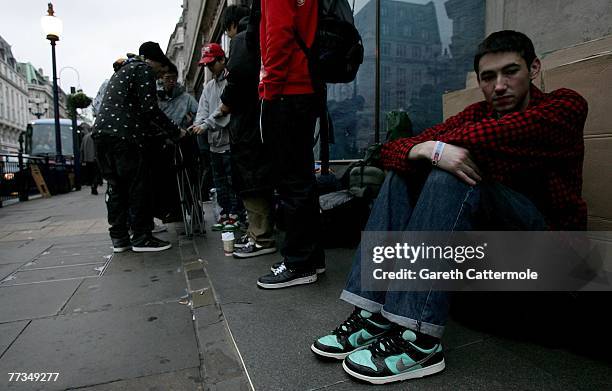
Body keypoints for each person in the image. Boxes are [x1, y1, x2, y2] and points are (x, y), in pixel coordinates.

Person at [310, 30, 588, 384]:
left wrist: (434, 148)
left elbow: (492, 136)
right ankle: (372, 314)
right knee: (403, 173)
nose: (499, 86)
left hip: (550, 245)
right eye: (488, 77)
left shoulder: (564, 106)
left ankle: (421, 341)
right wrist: (427, 149)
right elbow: (390, 151)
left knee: (452, 172)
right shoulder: (477, 113)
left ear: (533, 69)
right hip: (492, 242)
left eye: (510, 72)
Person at [255, 0, 325, 288]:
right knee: (302, 178)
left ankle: (299, 263)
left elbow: (279, 34)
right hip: (304, 86)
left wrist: (269, 89)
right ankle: (310, 257)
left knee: (291, 181)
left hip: (286, 89)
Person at [93, 41, 185, 253]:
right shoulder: (142, 69)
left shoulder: (124, 70)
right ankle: (142, 237)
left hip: (102, 135)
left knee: (116, 187)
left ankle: (119, 238)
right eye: (161, 71)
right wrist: (174, 131)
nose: (160, 77)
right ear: (155, 61)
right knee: (137, 185)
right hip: (125, 136)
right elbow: (150, 109)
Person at [218, 4, 276, 258]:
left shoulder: (243, 38)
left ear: (232, 25)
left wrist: (226, 101)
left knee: (252, 179)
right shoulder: (265, 32)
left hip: (249, 123)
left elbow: (237, 77)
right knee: (263, 177)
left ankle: (261, 237)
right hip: (266, 118)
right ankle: (258, 233)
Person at [191, 43, 244, 232]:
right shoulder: (209, 86)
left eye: (212, 63)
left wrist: (205, 125)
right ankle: (225, 214)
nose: (210, 68)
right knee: (219, 181)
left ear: (222, 60)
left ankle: (235, 214)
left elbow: (224, 112)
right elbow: (202, 110)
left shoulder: (231, 82)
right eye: (207, 65)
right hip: (214, 143)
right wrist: (199, 124)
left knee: (232, 180)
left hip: (230, 141)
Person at [80, 129, 99, 195]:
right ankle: (94, 186)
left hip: (87, 159)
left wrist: (82, 159)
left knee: (90, 173)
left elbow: (81, 149)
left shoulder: (85, 137)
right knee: (96, 173)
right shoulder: (95, 136)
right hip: (95, 159)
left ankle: (91, 185)